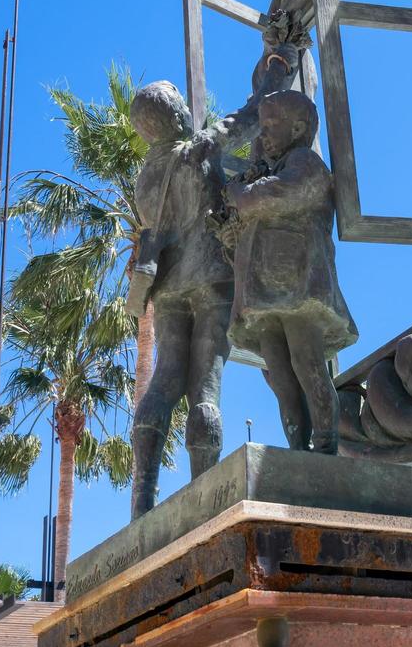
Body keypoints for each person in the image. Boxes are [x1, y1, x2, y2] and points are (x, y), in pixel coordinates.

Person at [127, 41, 298, 519]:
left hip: (168, 288)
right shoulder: (195, 149)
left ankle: (143, 498)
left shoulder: (145, 177)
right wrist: (278, 71)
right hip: (211, 281)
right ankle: (204, 496)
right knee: (206, 388)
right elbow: (248, 117)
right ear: (176, 113)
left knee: (163, 381)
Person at [223, 90, 358, 455]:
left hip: (298, 282)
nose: (262, 135)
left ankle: (327, 444)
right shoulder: (273, 165)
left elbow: (273, 196)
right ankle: (298, 448)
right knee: (280, 374)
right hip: (263, 287)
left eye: (270, 125)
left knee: (306, 360)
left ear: (297, 128)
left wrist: (241, 193)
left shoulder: (305, 162)